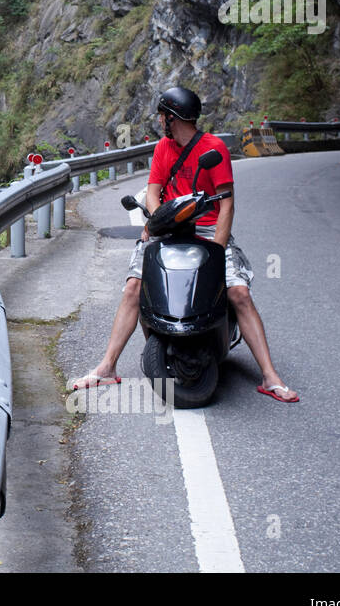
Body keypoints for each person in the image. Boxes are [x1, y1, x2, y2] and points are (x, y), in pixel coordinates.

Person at [70, 87, 299, 402]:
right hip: (168, 227)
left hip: (207, 231)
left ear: (170, 118)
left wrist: (217, 250)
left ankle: (270, 376)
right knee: (134, 287)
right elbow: (153, 191)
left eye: (162, 115)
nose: (160, 121)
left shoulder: (213, 148)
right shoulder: (164, 148)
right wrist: (153, 221)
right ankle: (107, 367)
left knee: (238, 293)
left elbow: (227, 205)